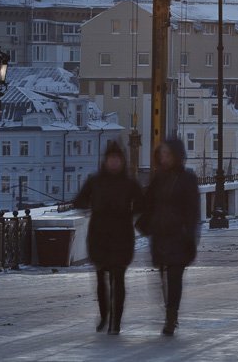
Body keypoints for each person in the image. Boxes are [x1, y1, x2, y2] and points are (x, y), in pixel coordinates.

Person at [73, 141, 142, 335]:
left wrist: (130, 212)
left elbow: (142, 203)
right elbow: (79, 199)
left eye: (117, 159)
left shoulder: (129, 182)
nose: (114, 162)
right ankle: (104, 315)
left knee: (118, 279)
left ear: (122, 161)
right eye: (111, 159)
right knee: (101, 280)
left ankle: (115, 322)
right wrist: (89, 205)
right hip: (99, 236)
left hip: (122, 237)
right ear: (106, 160)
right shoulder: (95, 181)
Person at [140, 138, 200, 336]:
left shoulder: (188, 179)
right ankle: (169, 311)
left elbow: (193, 211)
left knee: (174, 277)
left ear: (177, 155)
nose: (164, 158)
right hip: (160, 234)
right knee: (163, 278)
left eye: (168, 154)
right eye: (162, 154)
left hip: (179, 236)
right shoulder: (158, 178)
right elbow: (148, 203)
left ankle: (171, 316)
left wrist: (191, 236)